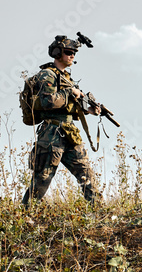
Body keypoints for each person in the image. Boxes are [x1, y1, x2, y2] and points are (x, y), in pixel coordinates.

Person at [22, 36, 103, 207]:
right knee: (42, 179)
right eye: (68, 52)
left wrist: (88, 111)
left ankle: (100, 211)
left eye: (74, 52)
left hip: (69, 132)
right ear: (57, 53)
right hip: (51, 134)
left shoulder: (65, 78)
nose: (72, 55)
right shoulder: (47, 75)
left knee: (86, 174)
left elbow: (67, 108)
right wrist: (70, 93)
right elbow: (47, 102)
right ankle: (23, 214)